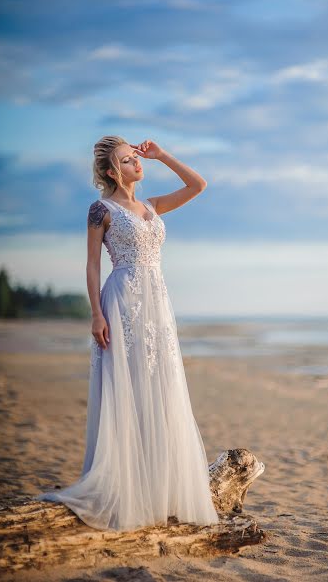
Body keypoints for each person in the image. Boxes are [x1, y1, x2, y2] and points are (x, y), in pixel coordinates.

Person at [35, 136, 220, 532]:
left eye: (136, 157)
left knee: (162, 387)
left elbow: (198, 185)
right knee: (130, 389)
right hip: (122, 303)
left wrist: (162, 154)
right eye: (127, 159)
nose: (137, 163)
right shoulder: (100, 210)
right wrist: (96, 314)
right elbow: (91, 266)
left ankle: (158, 490)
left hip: (158, 306)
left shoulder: (152, 205)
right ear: (109, 171)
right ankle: (127, 489)